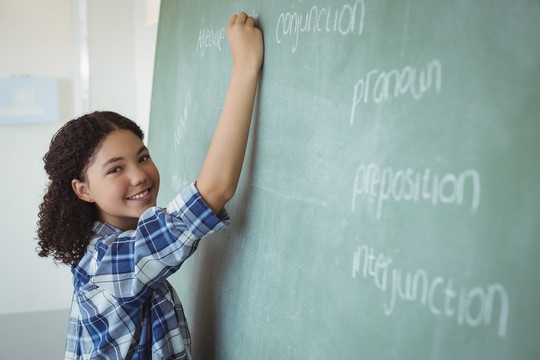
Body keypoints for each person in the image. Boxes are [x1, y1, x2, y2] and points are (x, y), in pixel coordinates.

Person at [36, 12, 263, 360]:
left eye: (142, 157)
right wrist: (245, 67)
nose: (139, 175)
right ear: (83, 189)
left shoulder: (110, 247)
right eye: (115, 170)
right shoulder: (107, 264)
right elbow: (213, 191)